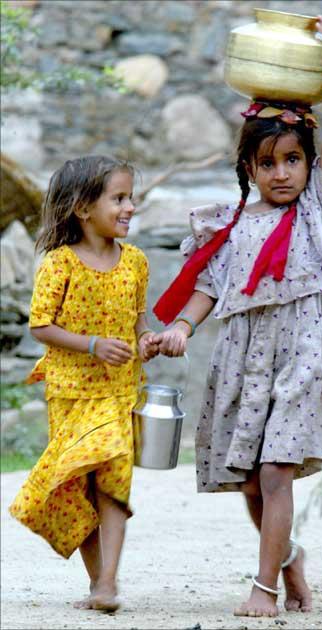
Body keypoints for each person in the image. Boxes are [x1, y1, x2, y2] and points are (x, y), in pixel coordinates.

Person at [152, 16, 322, 618]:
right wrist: (181, 328)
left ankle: (263, 587)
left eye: (293, 159)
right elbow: (207, 290)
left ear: (307, 163)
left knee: (275, 471)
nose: (282, 173)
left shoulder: (318, 208)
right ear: (249, 168)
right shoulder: (229, 226)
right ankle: (288, 558)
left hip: (301, 349)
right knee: (250, 482)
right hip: (243, 357)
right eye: (268, 163)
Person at [9, 155, 159, 612]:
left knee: (113, 479)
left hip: (119, 391)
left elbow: (139, 323)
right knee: (80, 485)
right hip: (72, 393)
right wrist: (92, 344)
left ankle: (108, 582)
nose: (130, 206)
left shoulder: (135, 261)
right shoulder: (59, 264)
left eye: (130, 196)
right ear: (82, 207)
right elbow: (41, 327)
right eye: (118, 198)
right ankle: (99, 582)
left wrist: (149, 340)